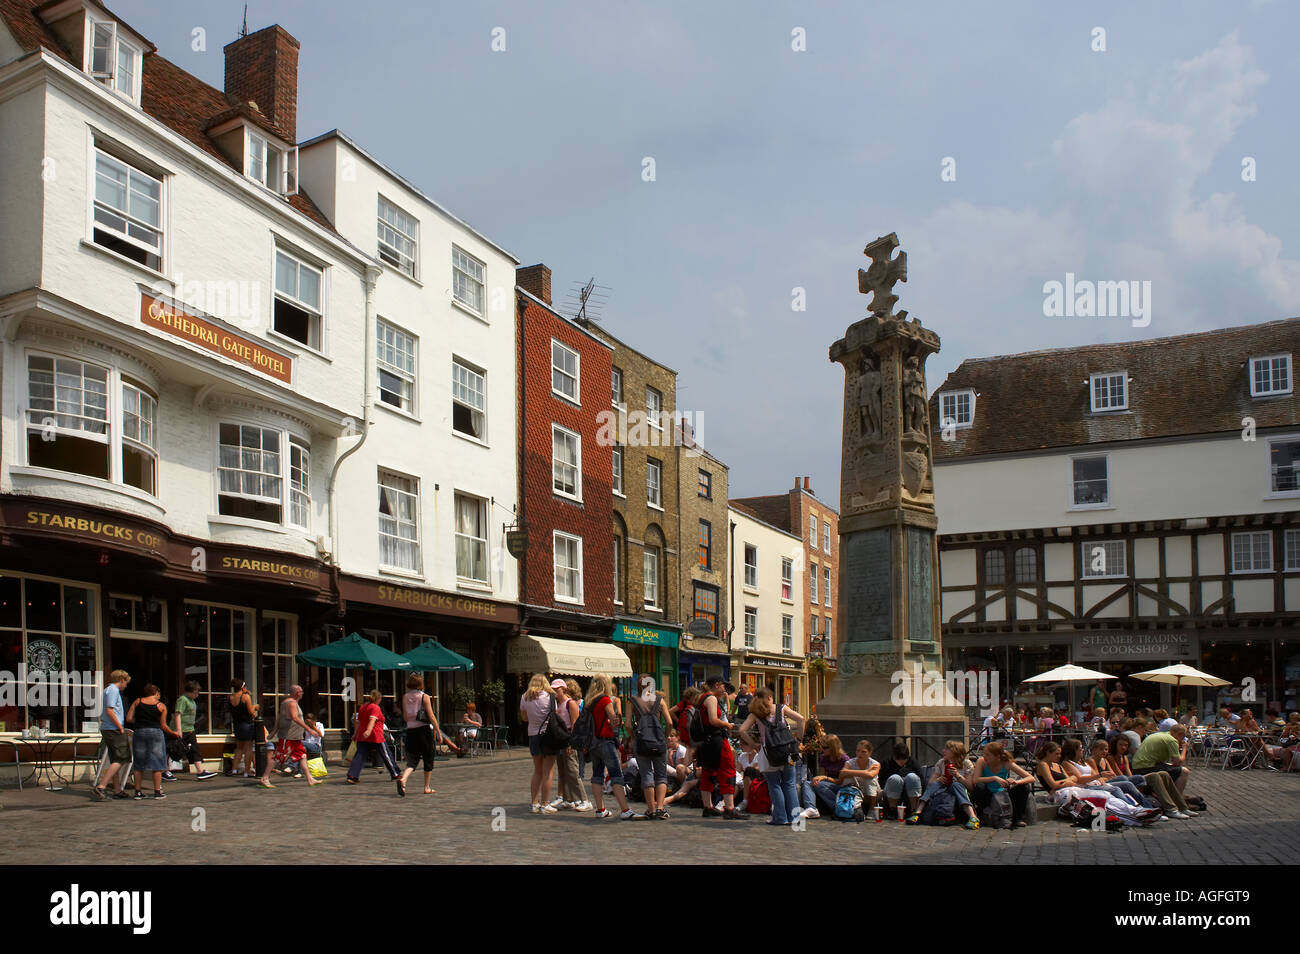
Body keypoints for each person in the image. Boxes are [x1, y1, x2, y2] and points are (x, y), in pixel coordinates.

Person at [737, 688, 805, 826]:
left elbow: (742, 730)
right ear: (769, 697)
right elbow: (801, 719)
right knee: (790, 784)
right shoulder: (781, 708)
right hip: (788, 751)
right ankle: (795, 818)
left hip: (768, 753)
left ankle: (780, 817)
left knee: (774, 785)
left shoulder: (755, 714)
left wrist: (754, 744)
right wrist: (799, 741)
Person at [584, 673, 643, 820]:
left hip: (593, 742)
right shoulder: (605, 700)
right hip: (605, 741)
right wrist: (617, 720)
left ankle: (600, 809)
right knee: (616, 774)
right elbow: (614, 721)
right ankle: (624, 810)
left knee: (597, 774)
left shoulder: (589, 701)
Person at [1105, 735, 1191, 820]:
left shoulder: (1124, 757)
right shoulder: (1111, 757)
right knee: (1154, 776)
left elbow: (1129, 773)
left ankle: (1182, 807)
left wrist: (1136, 781)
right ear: (1115, 745)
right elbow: (1119, 775)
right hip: (1121, 781)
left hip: (1129, 779)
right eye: (1121, 745)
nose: (1123, 747)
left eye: (1126, 745)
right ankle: (1170, 809)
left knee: (1164, 774)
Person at [399, 674, 459, 797]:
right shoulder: (424, 697)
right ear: (421, 684)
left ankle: (403, 779)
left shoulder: (405, 697)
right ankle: (426, 787)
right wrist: (438, 731)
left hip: (410, 731)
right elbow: (431, 716)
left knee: (412, 760)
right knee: (428, 757)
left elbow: (405, 716)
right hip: (423, 731)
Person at [697, 677, 744, 819]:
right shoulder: (711, 698)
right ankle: (729, 808)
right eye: (724, 686)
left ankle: (708, 806)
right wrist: (728, 725)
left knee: (708, 772)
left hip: (705, 741)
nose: (725, 689)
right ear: (717, 685)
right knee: (728, 770)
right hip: (716, 739)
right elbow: (713, 720)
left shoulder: (701, 698)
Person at [629, 676, 674, 819]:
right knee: (661, 775)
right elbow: (670, 723)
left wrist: (634, 737)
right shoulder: (660, 701)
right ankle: (660, 807)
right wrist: (665, 737)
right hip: (659, 741)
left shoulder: (633, 701)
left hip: (642, 742)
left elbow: (628, 725)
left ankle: (651, 809)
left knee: (646, 774)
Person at [261, 684, 323, 790]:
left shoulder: (286, 703)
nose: (302, 693)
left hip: (295, 738)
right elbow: (294, 718)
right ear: (297, 693)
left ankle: (309, 778)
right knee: (278, 757)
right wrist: (309, 730)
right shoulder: (291, 703)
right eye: (301, 691)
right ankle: (265, 778)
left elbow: (279, 718)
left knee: (302, 756)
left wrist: (273, 732)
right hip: (288, 736)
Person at [909, 740, 979, 829]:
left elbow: (971, 787)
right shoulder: (941, 762)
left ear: (955, 751)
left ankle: (973, 817)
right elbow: (930, 783)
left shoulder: (966, 763)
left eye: (946, 749)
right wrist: (939, 779)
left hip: (960, 791)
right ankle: (917, 812)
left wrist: (957, 776)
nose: (943, 751)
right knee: (935, 784)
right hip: (943, 791)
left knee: (956, 785)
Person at [126, 685, 181, 800]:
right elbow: (163, 725)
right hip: (155, 733)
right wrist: (173, 733)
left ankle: (138, 792)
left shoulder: (137, 701)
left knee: (139, 763)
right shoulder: (161, 706)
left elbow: (129, 718)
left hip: (140, 732)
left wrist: (139, 721)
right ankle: (157, 791)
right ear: (156, 692)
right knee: (157, 763)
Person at [547, 679, 592, 811]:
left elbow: (575, 725)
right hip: (560, 740)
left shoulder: (570, 703)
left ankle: (585, 800)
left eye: (557, 689)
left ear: (564, 689)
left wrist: (572, 744)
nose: (554, 692)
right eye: (553, 689)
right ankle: (568, 799)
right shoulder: (557, 705)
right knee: (563, 771)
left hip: (569, 740)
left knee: (573, 771)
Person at [346, 689, 401, 790]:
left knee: (360, 755)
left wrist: (355, 733)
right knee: (386, 754)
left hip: (362, 736)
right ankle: (395, 773)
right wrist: (368, 730)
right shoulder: (375, 707)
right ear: (379, 699)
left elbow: (358, 722)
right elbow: (372, 720)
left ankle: (353, 776)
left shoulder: (363, 707)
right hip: (375, 735)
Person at [519, 673, 558, 814]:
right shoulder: (550, 697)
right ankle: (545, 804)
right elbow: (555, 714)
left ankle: (534, 803)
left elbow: (524, 718)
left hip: (533, 735)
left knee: (537, 771)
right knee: (548, 771)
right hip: (548, 736)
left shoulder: (525, 697)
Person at [970, 741, 1033, 828]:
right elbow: (975, 780)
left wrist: (1016, 782)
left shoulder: (1007, 763)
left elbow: (1030, 778)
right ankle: (982, 815)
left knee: (1024, 787)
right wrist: (994, 778)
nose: (985, 757)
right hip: (988, 793)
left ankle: (1018, 818)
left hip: (1002, 793)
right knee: (980, 786)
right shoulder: (981, 762)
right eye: (984, 754)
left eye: (988, 755)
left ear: (997, 756)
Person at [91, 670, 132, 801]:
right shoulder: (113, 690)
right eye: (126, 682)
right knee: (122, 758)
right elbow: (109, 710)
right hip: (113, 728)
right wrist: (120, 727)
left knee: (115, 758)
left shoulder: (108, 690)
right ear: (121, 680)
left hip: (108, 728)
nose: (126, 685)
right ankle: (101, 786)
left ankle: (117, 789)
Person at [1132, 724, 1193, 795]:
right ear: (1180, 734)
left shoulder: (1160, 734)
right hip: (1147, 768)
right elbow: (1178, 762)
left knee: (1170, 767)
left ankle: (1169, 794)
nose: (1183, 739)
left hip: (1137, 766)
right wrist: (1185, 748)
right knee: (1184, 771)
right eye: (1183, 737)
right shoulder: (1172, 740)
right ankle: (1178, 799)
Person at [172, 681, 216, 780]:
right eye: (195, 692)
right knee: (174, 750)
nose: (197, 695)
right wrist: (179, 729)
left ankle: (200, 771)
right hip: (182, 729)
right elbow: (178, 714)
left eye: (197, 693)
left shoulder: (192, 701)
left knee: (195, 749)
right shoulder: (183, 699)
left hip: (190, 729)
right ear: (189, 691)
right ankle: (165, 770)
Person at [879, 743, 924, 820]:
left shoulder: (913, 763)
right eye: (898, 759)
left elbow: (920, 780)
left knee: (912, 777)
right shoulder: (887, 763)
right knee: (895, 778)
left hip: (910, 791)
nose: (901, 762)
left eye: (904, 759)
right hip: (891, 791)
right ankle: (892, 810)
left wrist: (906, 779)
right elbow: (881, 781)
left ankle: (913, 810)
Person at [228, 678, 257, 777]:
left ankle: (234, 770)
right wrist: (255, 707)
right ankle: (246, 771)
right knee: (248, 748)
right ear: (243, 687)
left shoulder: (231, 697)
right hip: (247, 724)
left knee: (239, 748)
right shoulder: (245, 697)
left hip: (237, 725)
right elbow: (250, 711)